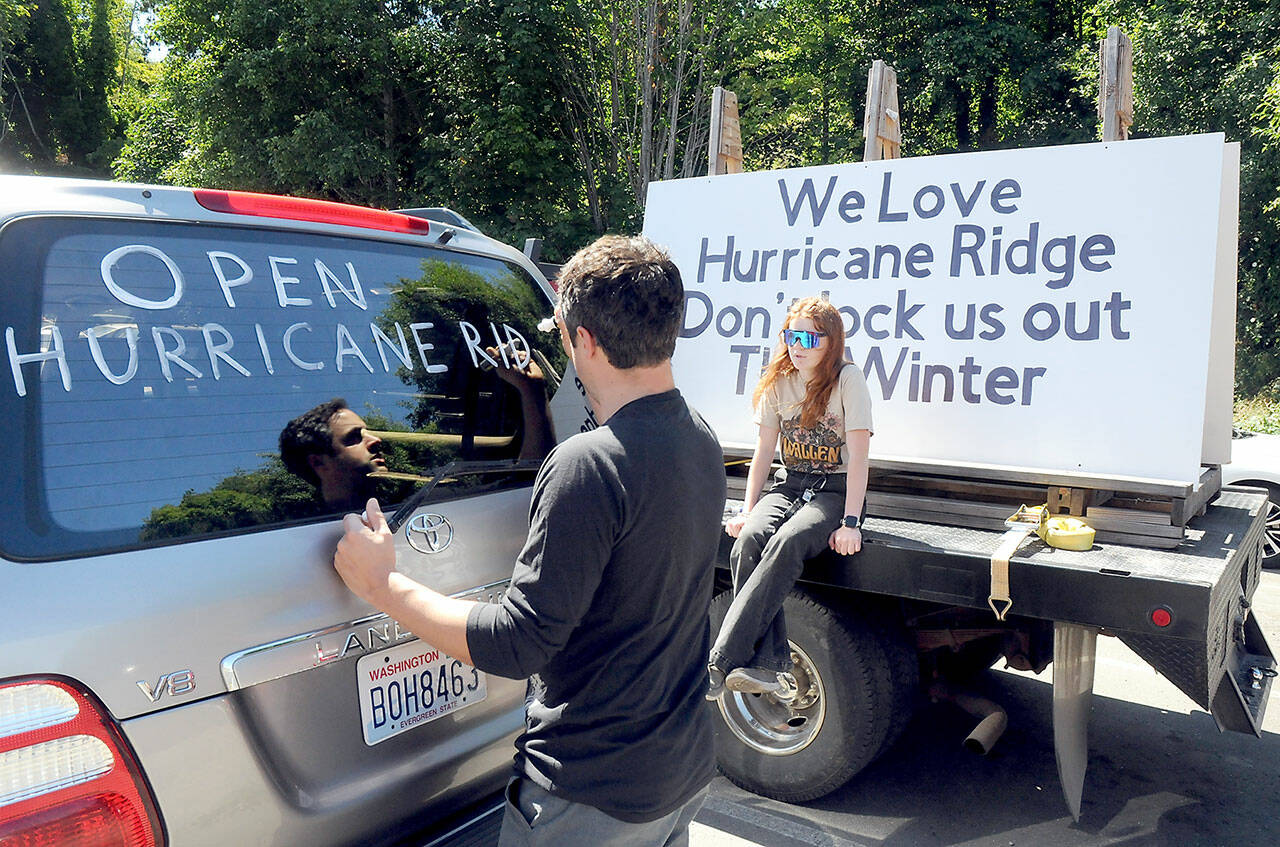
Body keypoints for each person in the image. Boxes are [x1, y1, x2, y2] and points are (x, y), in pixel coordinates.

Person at [332, 235, 726, 847]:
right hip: (680, 772)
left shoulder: (589, 467)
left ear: (583, 341)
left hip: (592, 797)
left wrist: (382, 584)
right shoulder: (698, 436)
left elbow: (517, 645)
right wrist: (530, 398)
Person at [707, 296, 872, 699]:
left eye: (806, 338)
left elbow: (861, 457)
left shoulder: (848, 379)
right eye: (789, 336)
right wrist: (748, 511)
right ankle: (767, 664)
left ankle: (722, 661)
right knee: (747, 540)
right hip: (790, 482)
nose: (796, 346)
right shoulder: (778, 379)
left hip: (834, 489)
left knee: (787, 541)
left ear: (830, 342)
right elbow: (763, 451)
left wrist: (851, 522)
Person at [279, 398, 385, 511]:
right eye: (354, 437)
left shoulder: (396, 507)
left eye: (368, 433)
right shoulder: (320, 526)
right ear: (317, 462)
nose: (376, 440)